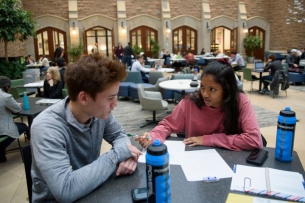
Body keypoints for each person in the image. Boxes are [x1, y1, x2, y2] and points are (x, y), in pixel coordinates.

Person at [30, 54, 142, 202]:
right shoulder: (46, 127)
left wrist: (126, 156)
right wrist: (116, 155)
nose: (115, 104)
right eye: (110, 98)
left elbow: (119, 135)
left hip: (92, 191)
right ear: (84, 98)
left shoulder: (98, 113)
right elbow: (65, 189)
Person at [136, 59, 263, 151]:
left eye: (212, 89)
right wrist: (153, 136)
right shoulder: (191, 101)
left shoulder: (240, 101)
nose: (205, 94)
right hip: (195, 159)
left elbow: (254, 140)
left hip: (231, 160)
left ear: (227, 89)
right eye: (202, 87)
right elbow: (168, 125)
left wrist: (208, 139)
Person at [0, 76, 29, 162]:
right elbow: (17, 109)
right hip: (2, 127)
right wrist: (16, 104)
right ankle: (2, 146)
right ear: (6, 87)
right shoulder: (6, 97)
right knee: (24, 126)